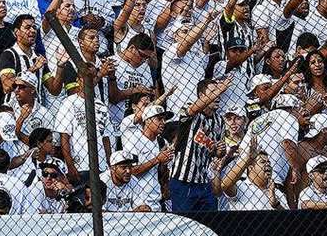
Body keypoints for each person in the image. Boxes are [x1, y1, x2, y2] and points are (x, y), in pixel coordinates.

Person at [169, 77, 231, 212]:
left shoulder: (219, 121)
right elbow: (191, 110)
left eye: (219, 92)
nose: (218, 95)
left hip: (204, 182)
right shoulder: (190, 109)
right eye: (214, 91)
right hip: (183, 180)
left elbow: (218, 153)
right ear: (202, 96)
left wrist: (219, 150)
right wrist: (220, 88)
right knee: (183, 226)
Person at [54, 70, 113, 184]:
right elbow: (64, 137)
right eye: (85, 78)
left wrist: (109, 163)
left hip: (101, 165)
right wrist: (70, 165)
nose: (88, 81)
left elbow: (106, 138)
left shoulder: (101, 105)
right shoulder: (69, 103)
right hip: (80, 164)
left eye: (92, 78)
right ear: (78, 80)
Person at [121, 104, 175, 211]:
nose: (163, 123)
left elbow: (161, 174)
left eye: (164, 119)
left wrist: (164, 162)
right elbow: (131, 171)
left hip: (157, 198)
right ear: (148, 120)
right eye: (159, 119)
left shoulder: (162, 142)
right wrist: (157, 159)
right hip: (138, 200)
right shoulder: (133, 140)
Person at [221, 139, 287, 210]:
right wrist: (248, 159)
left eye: (269, 162)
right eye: (262, 162)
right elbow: (225, 185)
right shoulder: (241, 187)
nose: (267, 165)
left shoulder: (276, 192)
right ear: (250, 167)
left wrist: (276, 204)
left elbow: (289, 219)